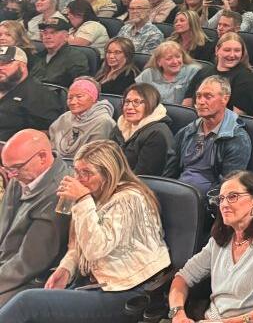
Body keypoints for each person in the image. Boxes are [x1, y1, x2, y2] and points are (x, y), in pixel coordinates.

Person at [0, 140, 171, 322]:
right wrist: (66, 268)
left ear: (108, 173)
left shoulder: (129, 199)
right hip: (93, 282)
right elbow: (77, 245)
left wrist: (82, 201)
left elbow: (95, 249)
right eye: (77, 171)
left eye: (87, 173)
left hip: (127, 291)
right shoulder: (94, 196)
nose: (79, 179)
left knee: (28, 303)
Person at [168, 171, 253, 323]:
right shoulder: (221, 237)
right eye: (221, 199)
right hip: (209, 318)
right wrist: (177, 314)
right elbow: (183, 277)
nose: (224, 204)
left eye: (233, 197)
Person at [0, 129, 71, 306]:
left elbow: (30, 262)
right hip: (7, 264)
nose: (10, 176)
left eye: (15, 168)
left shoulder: (61, 193)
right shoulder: (22, 175)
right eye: (7, 169)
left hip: (26, 278)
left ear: (42, 157)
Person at [173, 75, 252, 195]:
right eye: (198, 96)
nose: (200, 101)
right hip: (177, 192)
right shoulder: (187, 131)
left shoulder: (237, 138)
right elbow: (170, 171)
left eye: (208, 96)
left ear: (225, 99)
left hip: (207, 202)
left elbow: (229, 185)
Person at [0, 45, 62, 141]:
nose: (0, 68)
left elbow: (52, 131)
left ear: (23, 66)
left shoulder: (39, 95)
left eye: (5, 63)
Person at [113, 82, 176, 176]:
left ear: (150, 104)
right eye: (127, 102)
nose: (129, 107)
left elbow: (143, 175)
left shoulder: (157, 134)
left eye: (136, 102)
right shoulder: (122, 124)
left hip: (141, 186)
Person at [48, 77, 115, 159]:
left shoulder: (104, 122)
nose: (73, 102)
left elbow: (94, 158)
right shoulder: (65, 117)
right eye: (70, 98)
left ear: (93, 98)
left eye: (79, 97)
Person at [30, 17, 91, 89]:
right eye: (45, 33)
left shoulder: (76, 57)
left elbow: (80, 87)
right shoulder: (37, 56)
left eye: (53, 33)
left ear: (66, 37)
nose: (48, 37)